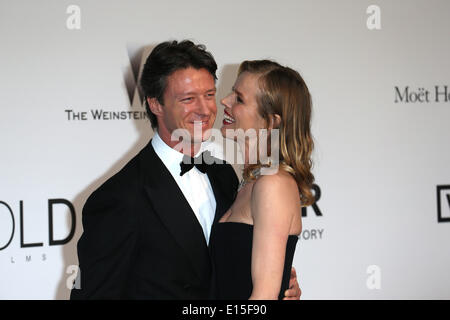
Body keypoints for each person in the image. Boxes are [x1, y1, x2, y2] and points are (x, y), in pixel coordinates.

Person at [70, 40, 300, 299]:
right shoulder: (120, 197)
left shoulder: (224, 175)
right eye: (189, 99)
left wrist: (279, 286)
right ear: (156, 104)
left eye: (210, 95)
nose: (205, 110)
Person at [210, 60, 314, 299]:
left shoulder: (272, 184)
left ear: (271, 121)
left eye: (239, 98)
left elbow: (263, 298)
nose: (224, 101)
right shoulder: (248, 183)